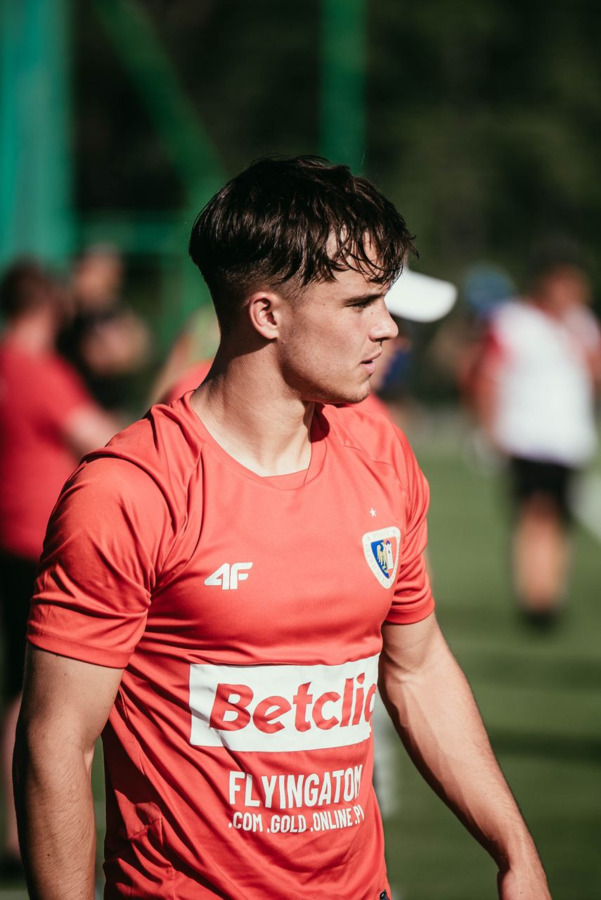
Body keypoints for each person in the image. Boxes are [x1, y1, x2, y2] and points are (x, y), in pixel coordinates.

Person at [14, 158, 550, 899]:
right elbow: (55, 744)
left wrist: (516, 851)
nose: (387, 327)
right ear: (266, 314)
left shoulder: (381, 453)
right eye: (360, 303)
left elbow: (417, 667)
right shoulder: (132, 490)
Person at [0, 260, 118, 877]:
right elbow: (102, 440)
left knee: (17, 694)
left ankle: (13, 835)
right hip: (36, 542)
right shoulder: (43, 372)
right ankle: (21, 839)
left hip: (7, 539)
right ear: (49, 307)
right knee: (38, 701)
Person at [466, 248, 601, 626]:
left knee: (560, 519)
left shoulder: (582, 325)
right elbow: (487, 375)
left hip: (568, 440)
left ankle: (552, 596)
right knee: (535, 515)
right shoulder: (514, 321)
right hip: (527, 436)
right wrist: (490, 426)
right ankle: (534, 597)